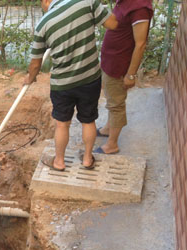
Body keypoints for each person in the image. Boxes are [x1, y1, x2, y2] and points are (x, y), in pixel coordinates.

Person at [24, 0, 117, 171]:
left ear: (46, 1)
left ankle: (59, 162)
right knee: (88, 120)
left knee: (62, 124)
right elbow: (112, 23)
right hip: (90, 78)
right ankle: (88, 159)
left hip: (63, 84)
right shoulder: (86, 2)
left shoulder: (43, 24)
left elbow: (36, 63)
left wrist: (30, 78)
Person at [96, 0, 153, 154]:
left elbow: (140, 44)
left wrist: (131, 74)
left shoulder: (139, 9)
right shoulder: (125, 2)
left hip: (119, 65)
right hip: (111, 62)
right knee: (112, 97)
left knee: (117, 104)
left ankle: (112, 144)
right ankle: (108, 128)